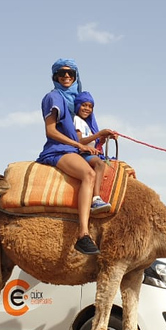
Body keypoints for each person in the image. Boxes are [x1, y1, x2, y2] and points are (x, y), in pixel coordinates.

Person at [37, 59, 115, 255]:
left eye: (70, 74)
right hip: (59, 149)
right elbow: (51, 131)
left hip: (74, 149)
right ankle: (83, 234)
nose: (66, 77)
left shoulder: (74, 102)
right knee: (88, 174)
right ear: (55, 76)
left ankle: (96, 201)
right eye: (62, 74)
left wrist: (99, 139)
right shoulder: (53, 97)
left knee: (103, 167)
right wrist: (78, 144)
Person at [73, 93, 117, 215]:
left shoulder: (88, 124)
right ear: (77, 105)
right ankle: (96, 198)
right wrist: (99, 134)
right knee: (99, 164)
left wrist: (104, 137)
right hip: (80, 153)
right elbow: (79, 141)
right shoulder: (76, 120)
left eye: (90, 106)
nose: (87, 109)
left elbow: (94, 144)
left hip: (88, 153)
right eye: (84, 105)